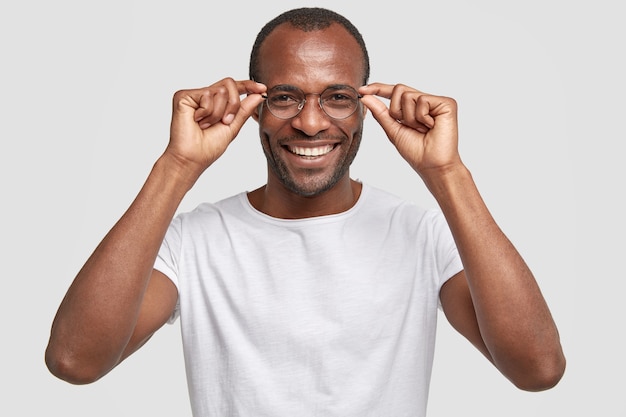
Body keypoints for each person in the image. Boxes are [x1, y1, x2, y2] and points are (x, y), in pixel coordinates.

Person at [45, 7, 566, 417]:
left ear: (365, 107)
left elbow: (537, 370)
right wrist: (177, 165)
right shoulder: (195, 239)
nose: (312, 124)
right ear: (253, 108)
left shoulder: (422, 232)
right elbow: (75, 361)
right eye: (286, 98)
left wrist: (447, 175)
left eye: (337, 97)